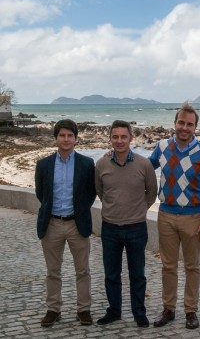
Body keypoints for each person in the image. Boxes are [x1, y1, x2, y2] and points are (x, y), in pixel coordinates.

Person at [149, 101, 200, 330]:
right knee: (168, 265)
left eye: (189, 124)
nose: (184, 127)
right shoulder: (162, 146)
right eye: (181, 122)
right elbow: (146, 168)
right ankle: (168, 308)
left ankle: (191, 311)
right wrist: (116, 154)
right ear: (174, 123)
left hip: (193, 217)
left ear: (195, 126)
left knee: (192, 267)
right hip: (165, 214)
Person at [94, 120, 157, 327]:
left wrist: (137, 211)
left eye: (123, 137)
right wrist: (115, 209)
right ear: (110, 138)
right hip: (110, 227)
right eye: (115, 137)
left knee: (137, 274)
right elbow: (101, 192)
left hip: (136, 228)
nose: (119, 141)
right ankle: (114, 311)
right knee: (112, 274)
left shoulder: (144, 164)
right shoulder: (101, 164)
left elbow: (151, 193)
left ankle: (139, 312)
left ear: (131, 138)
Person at [35, 119, 96, 327]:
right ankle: (53, 309)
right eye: (62, 135)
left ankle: (83, 309)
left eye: (70, 135)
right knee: (53, 271)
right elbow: (40, 193)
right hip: (51, 223)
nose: (66, 139)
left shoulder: (87, 164)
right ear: (56, 138)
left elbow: (90, 193)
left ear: (76, 139)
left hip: (76, 224)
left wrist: (79, 211)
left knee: (83, 270)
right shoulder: (43, 165)